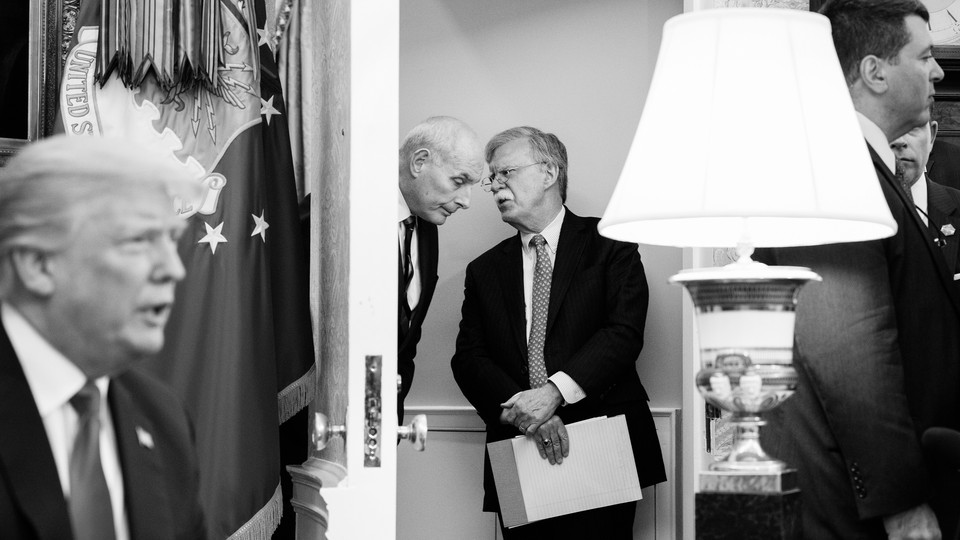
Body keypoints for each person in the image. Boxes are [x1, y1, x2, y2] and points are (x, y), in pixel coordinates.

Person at [755, 1, 960, 538]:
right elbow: (848, 347)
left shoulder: (856, 163)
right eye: (925, 55)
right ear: (875, 71)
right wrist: (902, 505)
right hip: (847, 508)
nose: (937, 71)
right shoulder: (833, 167)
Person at [451, 126, 665, 539]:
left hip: (606, 444)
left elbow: (622, 334)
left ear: (548, 172)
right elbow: (468, 358)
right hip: (514, 445)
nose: (495, 186)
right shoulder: (483, 270)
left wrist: (551, 395)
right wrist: (526, 415)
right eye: (491, 178)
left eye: (505, 173)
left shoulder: (612, 244)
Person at [0, 135, 207, 539]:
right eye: (138, 241)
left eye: (171, 240)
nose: (173, 269)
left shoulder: (164, 420)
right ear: (38, 265)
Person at [397, 116, 483, 423]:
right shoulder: (339, 210)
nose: (465, 201)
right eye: (459, 181)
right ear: (419, 162)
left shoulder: (427, 224)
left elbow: (405, 341)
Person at [892, 120, 960, 278]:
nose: (900, 141)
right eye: (886, 129)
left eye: (912, 127)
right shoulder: (839, 217)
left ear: (931, 135)